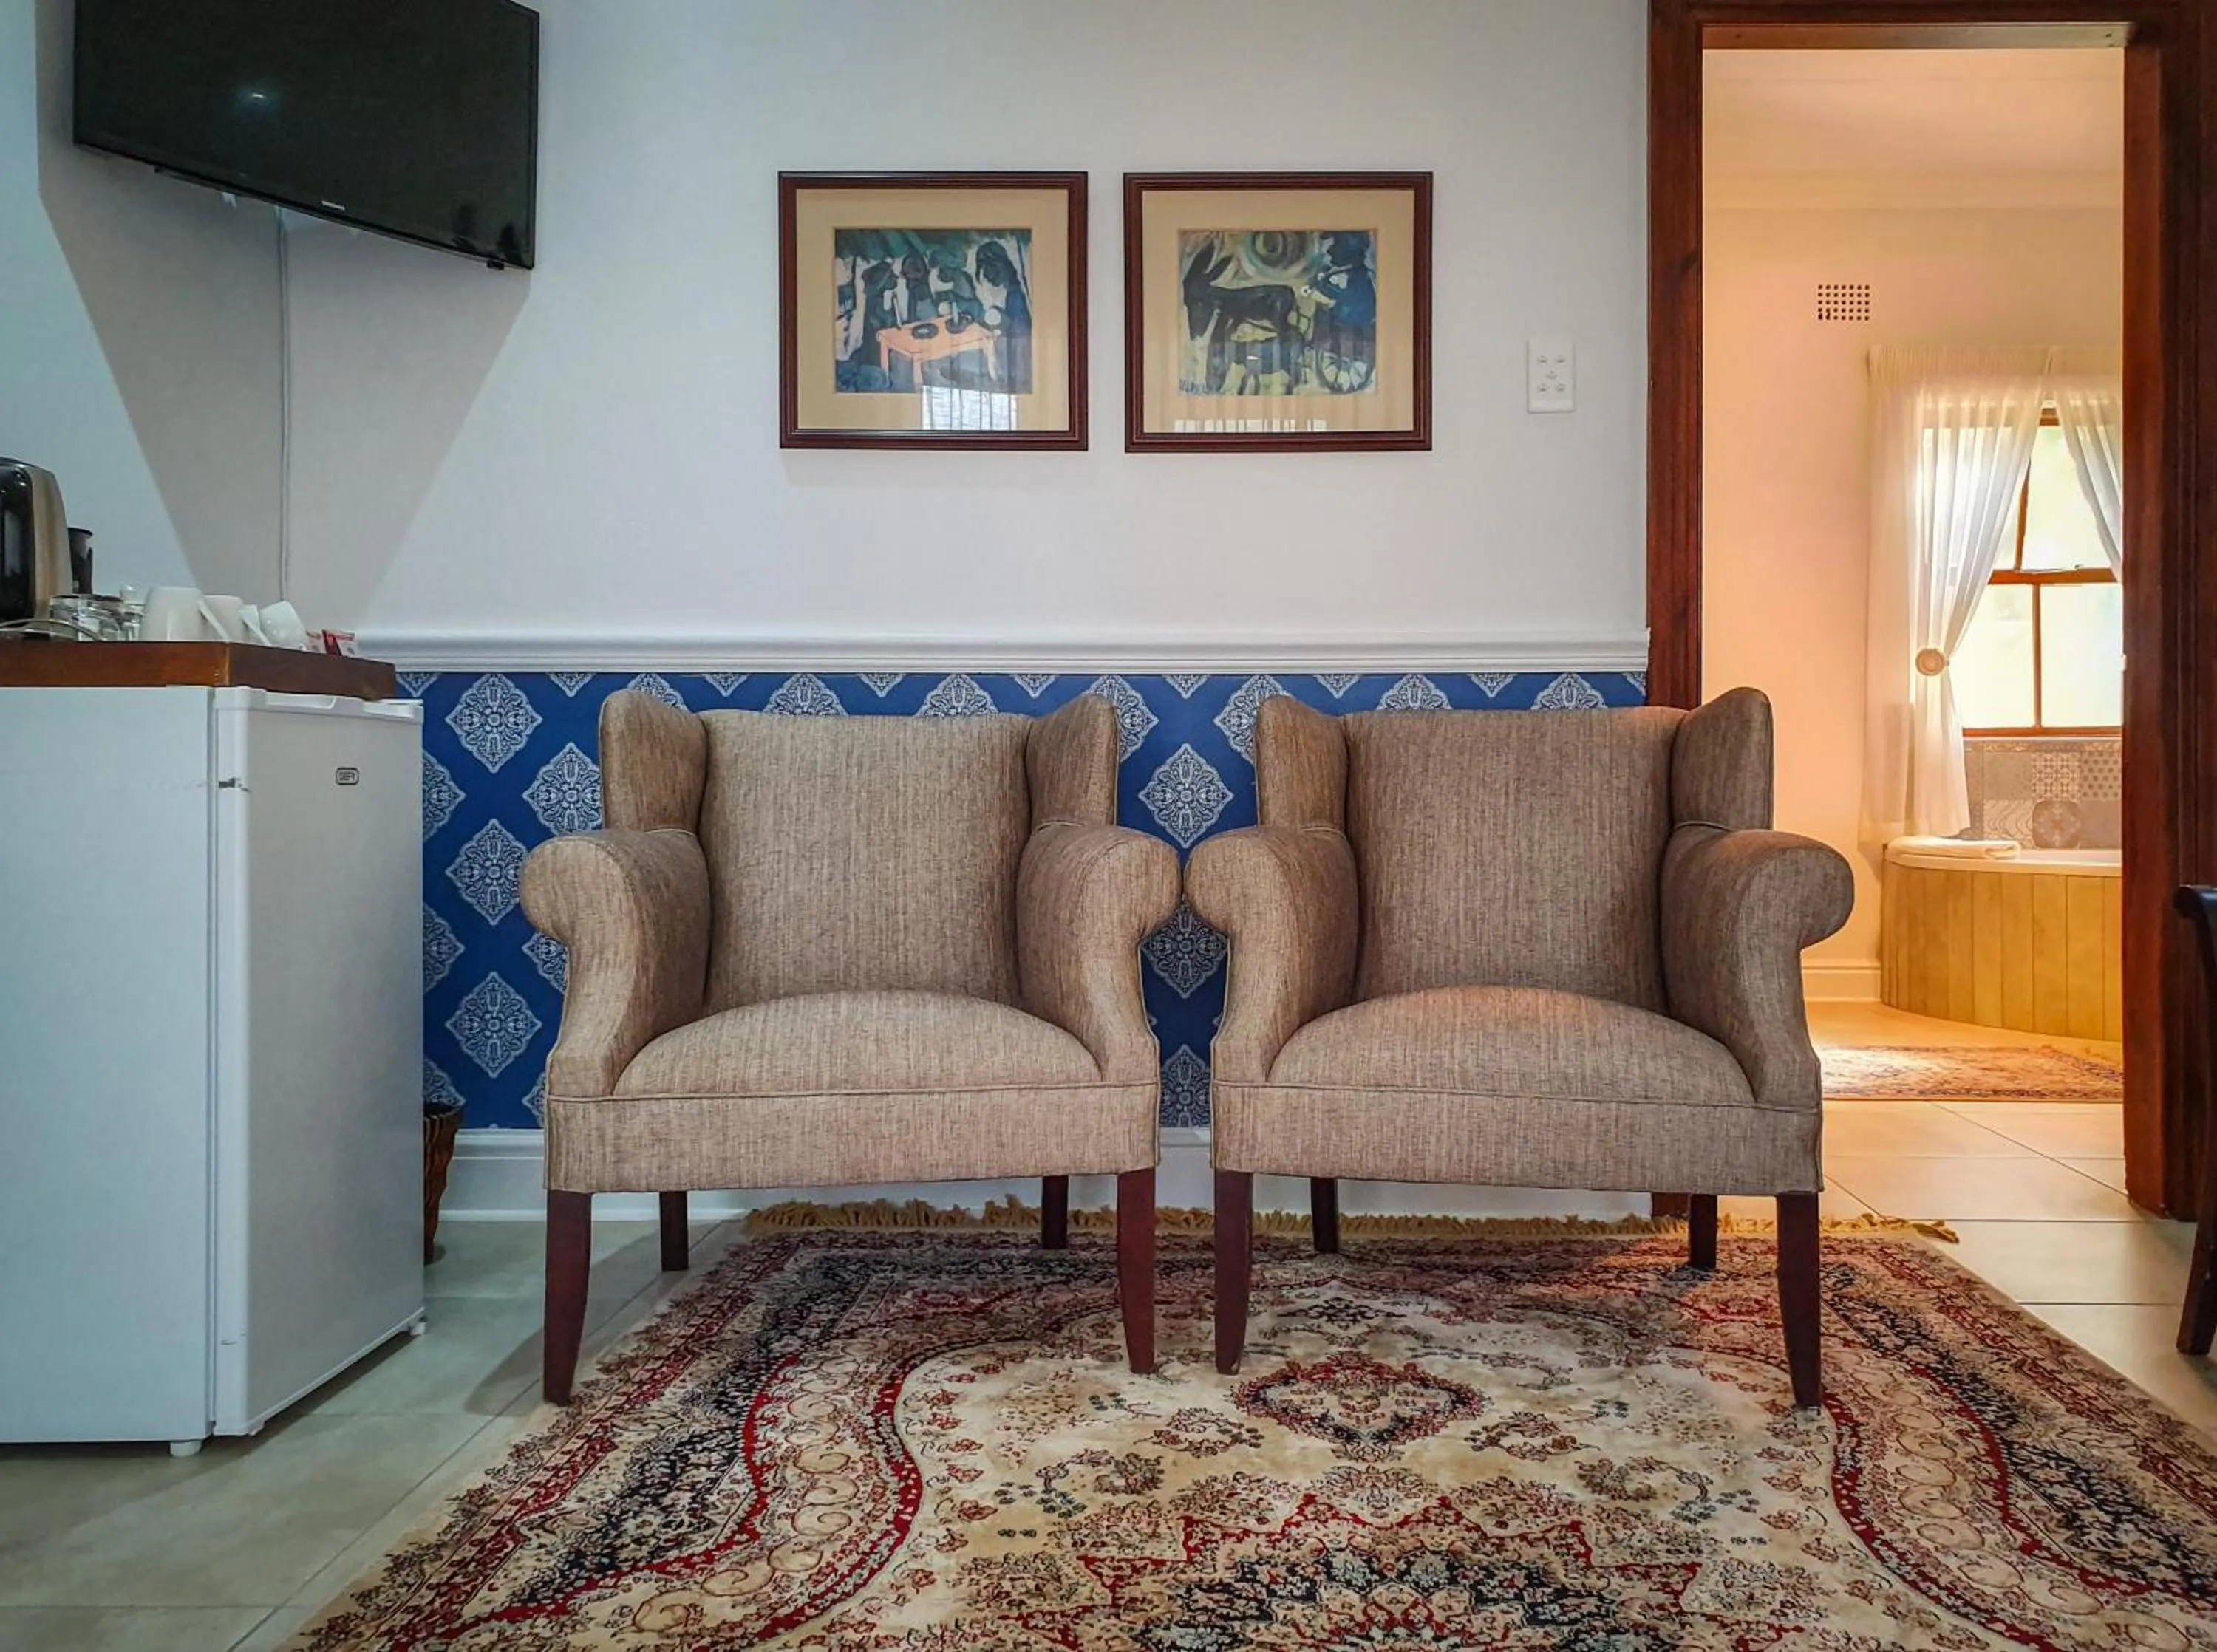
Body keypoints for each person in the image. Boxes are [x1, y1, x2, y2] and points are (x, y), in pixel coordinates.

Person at [973, 239, 1032, 391]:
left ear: (1000, 266)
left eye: (988, 269)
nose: (986, 276)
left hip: (1019, 360)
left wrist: (998, 318)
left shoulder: (1015, 295)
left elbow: (1020, 332)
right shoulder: (1011, 292)